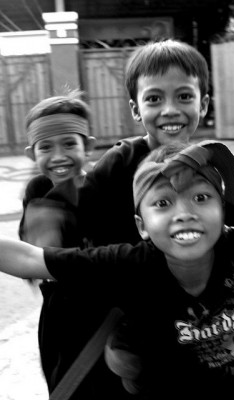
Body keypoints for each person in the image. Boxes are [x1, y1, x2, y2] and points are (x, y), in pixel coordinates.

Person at [0, 140, 234, 399]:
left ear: (222, 209)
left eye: (200, 197)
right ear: (142, 227)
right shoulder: (131, 264)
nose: (185, 213)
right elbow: (28, 259)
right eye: (163, 203)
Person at [77, 38, 211, 247]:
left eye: (184, 96)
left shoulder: (208, 162)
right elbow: (79, 219)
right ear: (136, 110)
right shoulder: (117, 163)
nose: (170, 110)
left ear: (202, 105)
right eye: (154, 99)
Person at [18, 90, 95, 390]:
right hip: (60, 315)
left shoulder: (102, 187)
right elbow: (36, 255)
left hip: (106, 312)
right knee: (65, 384)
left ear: (87, 146)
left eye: (69, 144)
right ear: (31, 154)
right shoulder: (37, 189)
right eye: (45, 147)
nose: (58, 156)